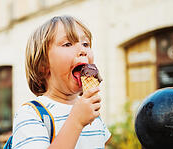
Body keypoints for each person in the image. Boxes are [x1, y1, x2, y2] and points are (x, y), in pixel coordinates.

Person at [12, 15, 111, 148]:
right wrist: (76, 121)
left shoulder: (90, 111)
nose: (82, 50)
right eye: (68, 44)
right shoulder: (32, 114)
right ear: (43, 66)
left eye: (85, 44)